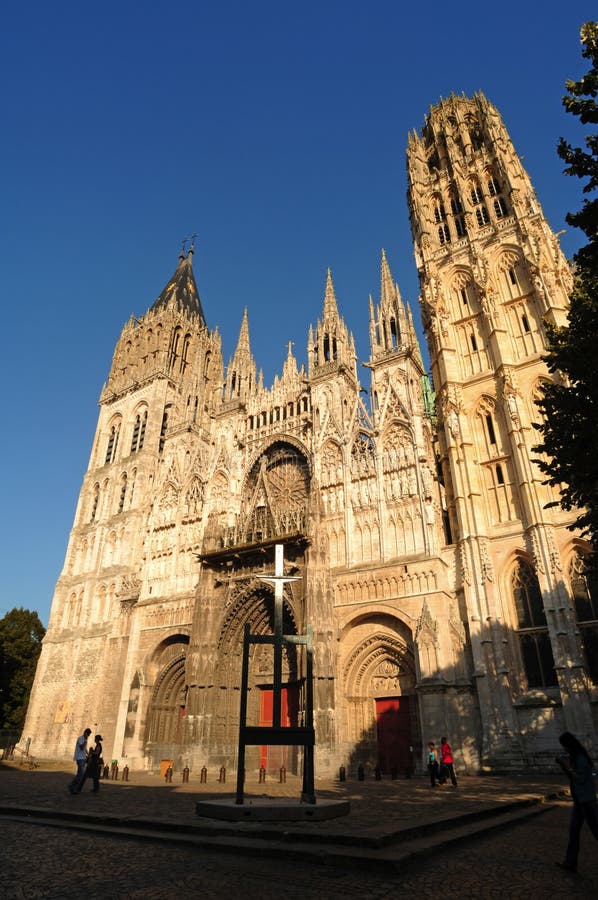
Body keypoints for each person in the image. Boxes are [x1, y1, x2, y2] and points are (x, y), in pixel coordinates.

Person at [555, 731, 598, 873]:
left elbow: (579, 779)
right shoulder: (576, 757)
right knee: (573, 831)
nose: (564, 749)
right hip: (579, 800)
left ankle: (570, 861)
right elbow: (573, 779)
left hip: (587, 800)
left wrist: (566, 766)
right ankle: (570, 862)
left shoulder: (580, 758)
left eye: (565, 746)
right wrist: (564, 766)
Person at [68, 727, 91, 794]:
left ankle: (73, 788)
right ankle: (72, 786)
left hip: (83, 758)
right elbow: (81, 747)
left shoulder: (84, 739)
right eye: (88, 734)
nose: (88, 736)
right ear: (85, 733)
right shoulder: (81, 739)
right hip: (80, 758)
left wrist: (87, 753)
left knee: (80, 774)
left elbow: (84, 749)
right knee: (80, 774)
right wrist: (85, 741)